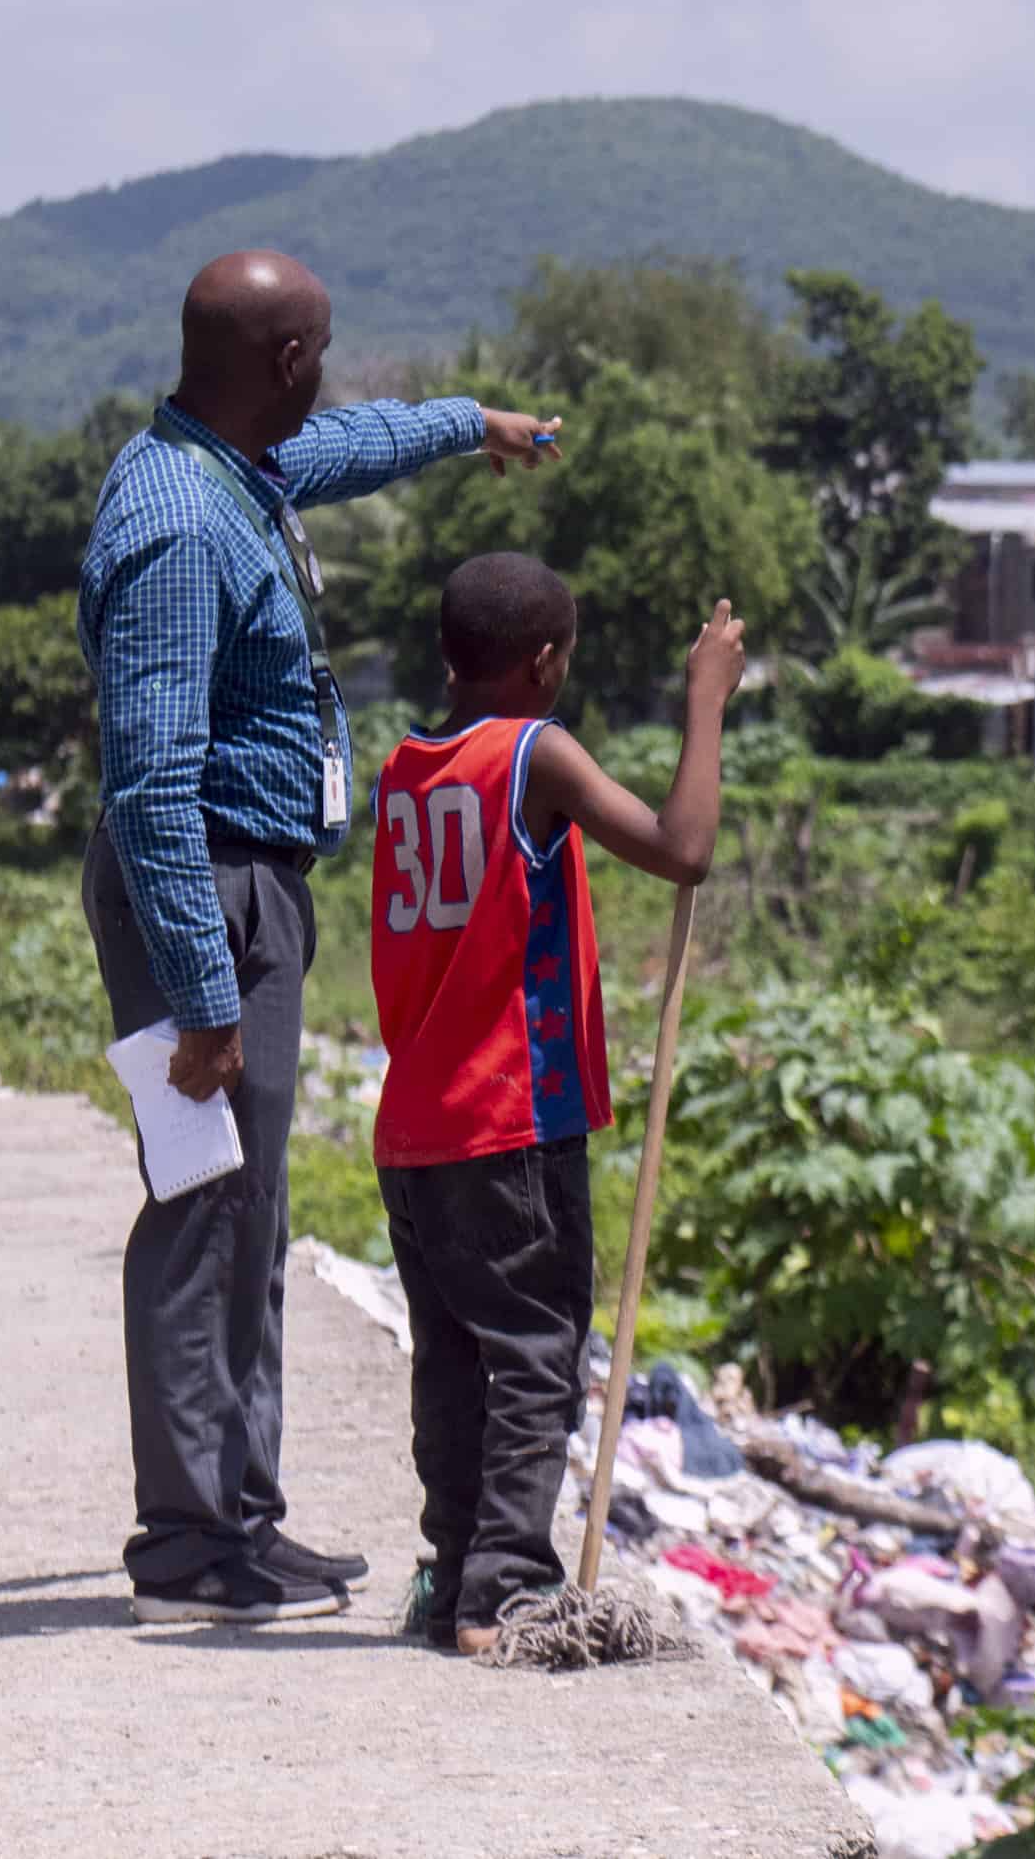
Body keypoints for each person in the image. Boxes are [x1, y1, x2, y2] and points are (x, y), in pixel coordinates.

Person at [78, 249, 562, 1626]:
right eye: (325, 350)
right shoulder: (181, 520)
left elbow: (348, 445)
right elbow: (151, 780)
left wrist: (473, 424)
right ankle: (188, 1537)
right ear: (286, 359)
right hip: (206, 886)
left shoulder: (236, 468)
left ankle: (241, 1511)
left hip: (243, 883)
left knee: (251, 1208)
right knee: (202, 1202)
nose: (333, 376)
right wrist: (203, 987)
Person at [369, 559, 745, 1654]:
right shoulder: (535, 752)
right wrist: (705, 703)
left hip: (415, 1129)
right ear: (544, 663)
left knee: (451, 1365)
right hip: (510, 1121)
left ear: (448, 655)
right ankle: (500, 1596)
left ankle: (454, 1582)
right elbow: (684, 851)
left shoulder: (407, 767)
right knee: (534, 1355)